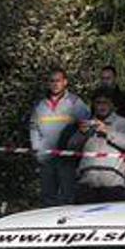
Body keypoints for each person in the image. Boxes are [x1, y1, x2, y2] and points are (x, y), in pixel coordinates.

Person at [29, 68, 90, 206]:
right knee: (48, 198)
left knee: (68, 198)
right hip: (46, 159)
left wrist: (75, 145)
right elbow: (33, 127)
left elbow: (86, 126)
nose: (55, 84)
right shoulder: (40, 105)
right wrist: (37, 149)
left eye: (58, 81)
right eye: (52, 81)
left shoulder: (75, 102)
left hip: (67, 159)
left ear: (65, 82)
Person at [67, 87, 125, 204]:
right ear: (93, 105)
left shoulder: (122, 123)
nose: (102, 106)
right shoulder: (88, 123)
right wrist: (81, 134)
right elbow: (71, 147)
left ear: (112, 105)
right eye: (98, 103)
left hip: (113, 186)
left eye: (106, 103)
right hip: (87, 185)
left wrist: (108, 132)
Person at [99, 65, 125, 130]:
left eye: (108, 78)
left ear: (115, 79)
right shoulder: (97, 99)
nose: (105, 82)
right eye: (103, 79)